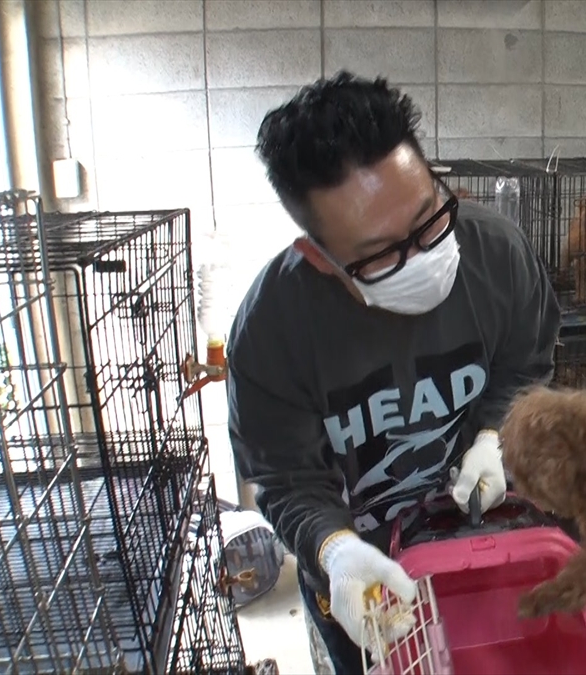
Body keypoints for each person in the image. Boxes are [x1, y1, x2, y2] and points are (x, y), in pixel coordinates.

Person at [228, 71, 561, 674]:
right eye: (381, 254)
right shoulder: (271, 329)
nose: (424, 257)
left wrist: (494, 435)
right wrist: (336, 552)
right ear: (319, 258)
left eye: (429, 219)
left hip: (474, 545)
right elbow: (286, 478)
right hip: (367, 581)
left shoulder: (498, 255)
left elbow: (525, 364)